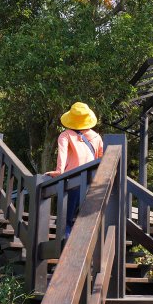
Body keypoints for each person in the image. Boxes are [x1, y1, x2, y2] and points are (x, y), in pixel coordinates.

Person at [45, 102, 103, 238]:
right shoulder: (97, 137)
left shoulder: (65, 135)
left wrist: (59, 171)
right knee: (86, 217)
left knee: (67, 218)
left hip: (72, 181)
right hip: (91, 182)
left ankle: (65, 245)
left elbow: (62, 155)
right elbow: (101, 160)